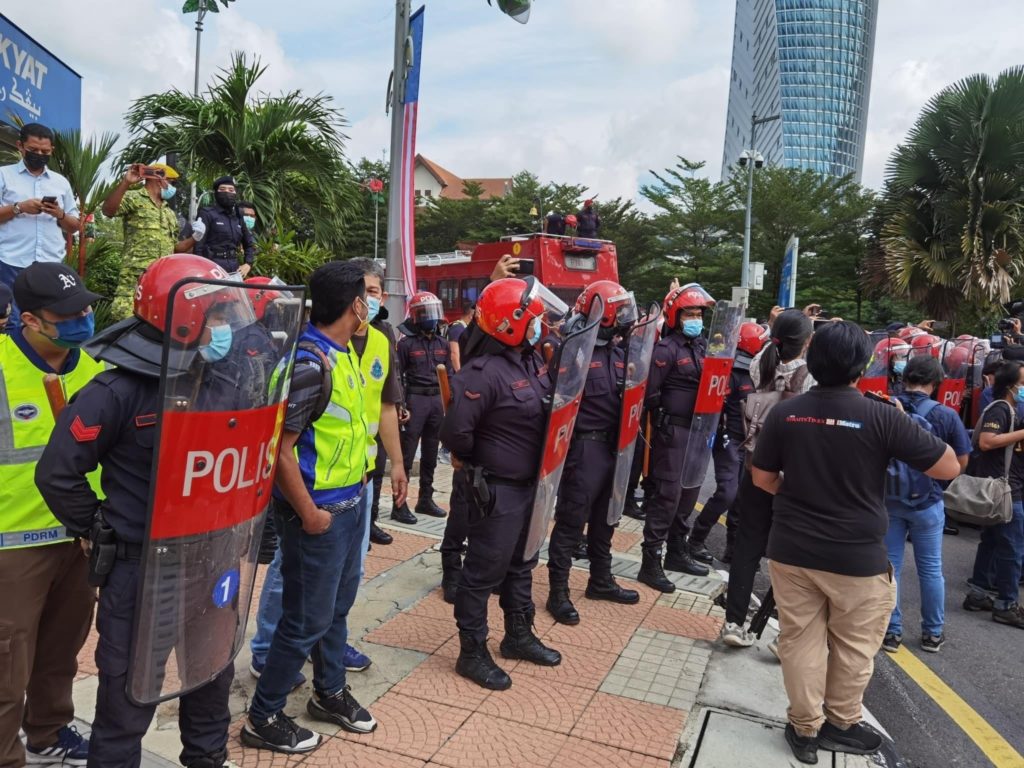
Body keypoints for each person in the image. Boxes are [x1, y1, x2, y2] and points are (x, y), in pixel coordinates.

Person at [35, 254, 255, 768]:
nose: (223, 330)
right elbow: (57, 474)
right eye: (216, 317)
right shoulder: (117, 390)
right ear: (182, 317)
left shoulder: (221, 381)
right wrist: (98, 527)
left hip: (215, 560)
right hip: (144, 572)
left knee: (211, 679)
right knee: (128, 699)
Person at [750, 321, 958, 765]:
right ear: (863, 365)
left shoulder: (787, 413)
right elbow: (947, 468)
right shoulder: (882, 414)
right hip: (858, 556)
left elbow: (763, 478)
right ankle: (839, 724)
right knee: (853, 646)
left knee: (799, 639)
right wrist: (905, 423)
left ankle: (802, 729)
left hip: (792, 549)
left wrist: (801, 490)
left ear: (814, 357)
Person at [242, 261, 377, 754]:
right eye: (367, 296)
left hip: (350, 504)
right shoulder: (309, 361)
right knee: (303, 619)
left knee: (334, 612)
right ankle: (264, 716)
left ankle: (329, 691)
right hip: (318, 517)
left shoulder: (344, 353)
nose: (371, 304)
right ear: (353, 304)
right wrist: (310, 514)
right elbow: (279, 449)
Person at [0, 263, 103, 767]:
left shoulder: (94, 368)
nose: (82, 318)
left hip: (79, 537)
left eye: (85, 307)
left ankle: (47, 731)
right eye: (67, 314)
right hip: (13, 544)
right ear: (29, 321)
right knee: (6, 662)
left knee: (63, 646)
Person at [440, 277, 565, 690]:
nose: (539, 323)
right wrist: (485, 459)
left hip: (531, 485)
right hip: (497, 490)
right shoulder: (481, 373)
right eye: (532, 317)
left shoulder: (530, 360)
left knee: (522, 562)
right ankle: (471, 651)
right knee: (482, 573)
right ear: (511, 322)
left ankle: (518, 634)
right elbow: (457, 435)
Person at [545, 281, 641, 625]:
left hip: (615, 448)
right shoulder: (574, 351)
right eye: (620, 310)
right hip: (584, 447)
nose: (626, 318)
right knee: (571, 521)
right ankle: (558, 591)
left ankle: (601, 580)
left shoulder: (619, 352)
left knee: (606, 518)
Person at [721, 310, 814, 648]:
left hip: (757, 465)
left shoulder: (761, 361)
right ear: (806, 342)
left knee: (748, 543)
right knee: (791, 552)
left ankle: (734, 621)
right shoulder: (810, 377)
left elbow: (771, 343)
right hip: (793, 474)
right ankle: (784, 634)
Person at [881, 356, 970, 654]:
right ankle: (932, 633)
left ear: (903, 377)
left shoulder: (883, 405)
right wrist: (936, 485)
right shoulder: (945, 415)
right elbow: (960, 462)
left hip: (889, 500)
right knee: (931, 569)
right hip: (928, 502)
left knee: (889, 567)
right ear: (936, 382)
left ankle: (891, 632)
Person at [637, 283, 717, 593]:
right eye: (690, 313)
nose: (696, 318)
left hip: (699, 431)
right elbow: (649, 393)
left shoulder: (703, 347)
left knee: (689, 494)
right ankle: (651, 560)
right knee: (667, 495)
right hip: (674, 432)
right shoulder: (665, 350)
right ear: (676, 316)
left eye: (699, 313)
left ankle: (677, 552)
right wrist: (664, 419)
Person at [687, 322, 769, 564]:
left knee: (744, 498)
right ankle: (695, 539)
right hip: (729, 439)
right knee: (727, 493)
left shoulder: (761, 371)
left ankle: (734, 549)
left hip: (751, 443)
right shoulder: (730, 373)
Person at [0, 123, 81, 331]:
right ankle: (9, 363)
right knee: (12, 322)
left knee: (48, 323)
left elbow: (74, 226)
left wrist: (59, 214)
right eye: (33, 150)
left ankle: (39, 362)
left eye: (45, 151)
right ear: (20, 146)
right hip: (11, 262)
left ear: (52, 150)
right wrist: (19, 207)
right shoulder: (4, 175)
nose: (39, 154)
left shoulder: (60, 182)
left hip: (50, 263)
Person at [963, 360, 1024, 629]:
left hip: (1004, 486)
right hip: (1006, 490)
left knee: (990, 541)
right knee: (1011, 548)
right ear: (1012, 386)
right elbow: (987, 441)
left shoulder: (1011, 408)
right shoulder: (1001, 409)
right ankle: (1006, 605)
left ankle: (978, 593)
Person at [392, 291, 452, 523]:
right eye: (425, 313)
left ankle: (425, 499)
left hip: (436, 402)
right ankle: (399, 505)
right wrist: (401, 405)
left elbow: (449, 377)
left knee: (430, 454)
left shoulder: (443, 344)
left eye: (433, 313)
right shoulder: (406, 345)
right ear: (416, 316)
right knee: (406, 456)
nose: (431, 318)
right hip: (415, 402)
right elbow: (398, 376)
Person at [101, 163, 182, 320]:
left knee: (156, 325)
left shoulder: (169, 213)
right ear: (158, 180)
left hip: (161, 282)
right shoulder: (134, 198)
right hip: (135, 279)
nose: (172, 187)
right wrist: (126, 183)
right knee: (125, 322)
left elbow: (175, 248)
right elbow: (108, 211)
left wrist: (197, 237)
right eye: (170, 182)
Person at [190, 177, 256, 275]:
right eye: (222, 189)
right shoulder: (207, 213)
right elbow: (198, 247)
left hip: (234, 267)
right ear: (216, 193)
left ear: (235, 193)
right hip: (211, 267)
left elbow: (249, 244)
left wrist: (248, 264)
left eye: (231, 190)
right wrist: (200, 271)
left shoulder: (238, 216)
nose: (227, 193)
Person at [447, 303, 474, 372]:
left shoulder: (463, 328)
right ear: (471, 316)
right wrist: (459, 373)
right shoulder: (458, 328)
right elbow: (454, 353)